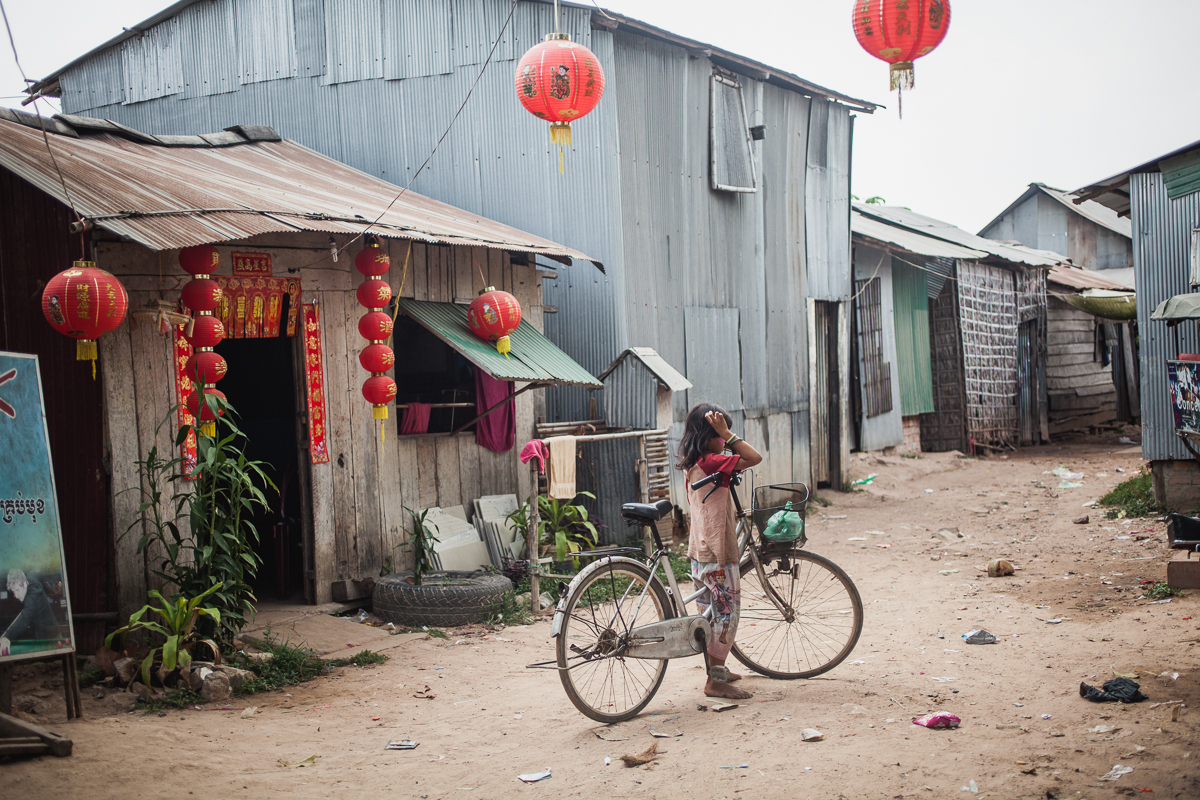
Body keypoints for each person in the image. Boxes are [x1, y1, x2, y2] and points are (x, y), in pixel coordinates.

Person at [676, 403, 762, 700]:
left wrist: (722, 435)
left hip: (699, 549)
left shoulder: (695, 460)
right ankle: (715, 682)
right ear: (708, 434)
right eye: (719, 434)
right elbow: (754, 457)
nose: (724, 441)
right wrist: (730, 433)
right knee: (727, 614)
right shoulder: (713, 463)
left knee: (710, 614)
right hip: (717, 550)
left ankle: (717, 670)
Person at [0, 569, 60, 656]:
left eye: (17, 590)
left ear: (24, 584)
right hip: (40, 634)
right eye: (13, 591)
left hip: (52, 636)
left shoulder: (32, 600)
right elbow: (38, 571)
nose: (16, 595)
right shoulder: (30, 577)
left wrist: (7, 637)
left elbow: (24, 619)